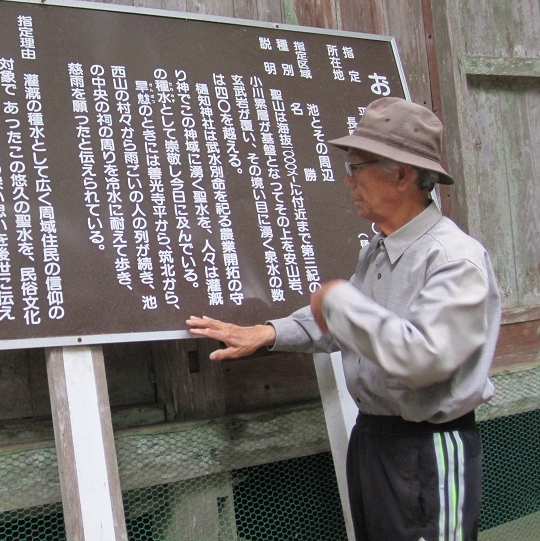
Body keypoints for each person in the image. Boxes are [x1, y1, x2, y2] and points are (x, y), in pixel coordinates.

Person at [187, 96, 501, 541]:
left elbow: (425, 358)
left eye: (357, 167)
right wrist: (268, 332)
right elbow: (342, 324)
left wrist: (340, 303)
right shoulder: (380, 248)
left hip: (427, 447)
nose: (348, 180)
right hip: (373, 437)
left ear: (401, 175)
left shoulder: (453, 259)